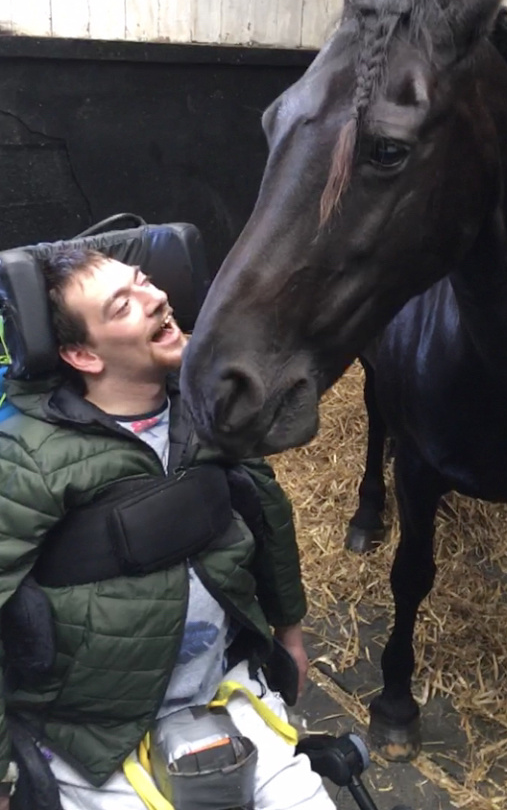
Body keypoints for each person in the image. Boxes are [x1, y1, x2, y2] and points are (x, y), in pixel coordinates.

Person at [0, 247, 335, 810]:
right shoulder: (27, 458)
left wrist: (290, 636)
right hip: (93, 740)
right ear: (82, 354)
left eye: (145, 281)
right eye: (122, 305)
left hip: (226, 692)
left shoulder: (209, 412)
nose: (156, 297)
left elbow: (269, 518)